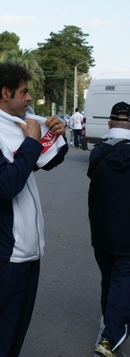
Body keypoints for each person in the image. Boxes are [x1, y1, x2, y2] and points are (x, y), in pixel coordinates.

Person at [0, 62, 68, 357]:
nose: (30, 98)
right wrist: (32, 141)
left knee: (14, 335)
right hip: (2, 253)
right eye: (25, 92)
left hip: (29, 251)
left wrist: (57, 132)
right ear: (6, 93)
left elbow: (46, 161)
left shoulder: (18, 123)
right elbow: (5, 185)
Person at [87, 101, 130, 357]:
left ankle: (108, 321)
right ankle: (109, 337)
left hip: (101, 231)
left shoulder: (97, 152)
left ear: (109, 123)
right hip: (128, 234)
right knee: (122, 281)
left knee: (110, 278)